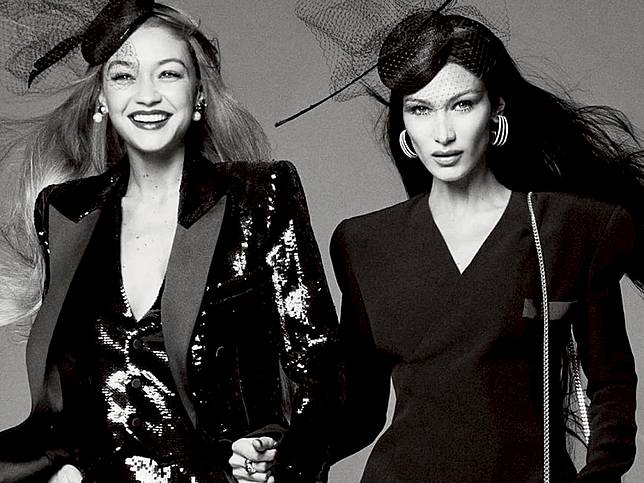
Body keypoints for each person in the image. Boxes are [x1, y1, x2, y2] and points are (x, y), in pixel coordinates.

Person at [288, 1, 643, 481]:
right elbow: (362, 412)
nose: (443, 133)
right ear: (403, 125)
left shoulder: (571, 229)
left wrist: (600, 475)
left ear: (496, 110)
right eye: (421, 109)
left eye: (462, 104)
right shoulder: (364, 243)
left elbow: (612, 385)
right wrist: (283, 453)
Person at [0, 1, 340, 482]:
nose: (147, 95)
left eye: (168, 73)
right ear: (101, 97)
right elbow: (67, 402)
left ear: (198, 92)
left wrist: (273, 453)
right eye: (124, 76)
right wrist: (62, 468)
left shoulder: (258, 196)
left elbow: (320, 371)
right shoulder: (64, 211)